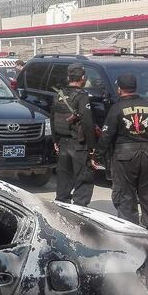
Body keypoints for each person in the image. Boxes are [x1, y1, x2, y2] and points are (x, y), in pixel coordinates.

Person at [95, 74, 148, 231]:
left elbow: (106, 135)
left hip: (124, 157)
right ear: (135, 88)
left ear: (119, 89)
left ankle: (131, 230)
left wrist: (97, 156)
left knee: (125, 194)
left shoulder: (116, 108)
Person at [50, 63, 98, 206]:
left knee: (63, 181)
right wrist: (92, 147)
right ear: (83, 78)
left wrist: (55, 140)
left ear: (68, 77)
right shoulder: (82, 96)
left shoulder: (58, 94)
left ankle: (62, 210)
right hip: (79, 145)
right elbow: (88, 123)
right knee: (84, 180)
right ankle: (80, 215)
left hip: (63, 143)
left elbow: (52, 118)